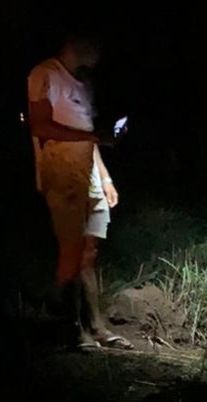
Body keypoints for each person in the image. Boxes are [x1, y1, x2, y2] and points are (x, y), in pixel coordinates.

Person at [27, 31, 131, 349]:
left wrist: (106, 178)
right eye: (95, 43)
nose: (99, 52)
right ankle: (74, 329)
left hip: (90, 178)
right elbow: (40, 126)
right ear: (75, 41)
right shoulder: (44, 74)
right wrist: (92, 138)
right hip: (62, 177)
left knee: (88, 255)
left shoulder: (83, 85)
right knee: (72, 252)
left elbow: (89, 137)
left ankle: (96, 327)